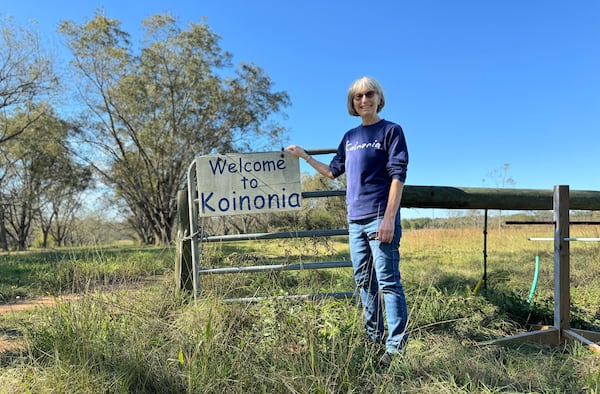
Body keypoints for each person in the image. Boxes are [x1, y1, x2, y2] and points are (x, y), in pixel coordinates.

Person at [286, 76, 409, 367]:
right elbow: (332, 172)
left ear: (379, 98)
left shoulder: (391, 131)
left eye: (369, 94)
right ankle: (373, 339)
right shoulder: (350, 137)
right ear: (352, 103)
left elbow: (398, 175)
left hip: (380, 217)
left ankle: (396, 348)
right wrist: (304, 156)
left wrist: (389, 218)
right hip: (355, 219)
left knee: (388, 281)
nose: (364, 100)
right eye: (358, 96)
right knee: (364, 281)